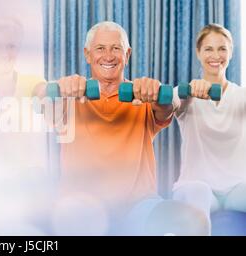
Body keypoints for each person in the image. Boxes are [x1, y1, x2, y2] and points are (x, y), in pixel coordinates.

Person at [33, 21, 209, 235]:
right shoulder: (68, 99)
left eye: (116, 48)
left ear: (128, 54)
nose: (108, 56)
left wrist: (158, 97)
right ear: (87, 54)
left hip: (138, 207)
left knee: (194, 222)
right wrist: (56, 88)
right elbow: (38, 102)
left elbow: (169, 106)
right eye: (100, 49)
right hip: (84, 207)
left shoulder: (143, 96)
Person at [172, 24, 246, 228]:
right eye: (209, 49)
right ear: (198, 52)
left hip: (236, 189)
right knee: (199, 191)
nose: (216, 55)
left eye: (222, 48)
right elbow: (167, 106)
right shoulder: (185, 93)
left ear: (230, 52)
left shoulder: (241, 96)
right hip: (195, 186)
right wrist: (189, 92)